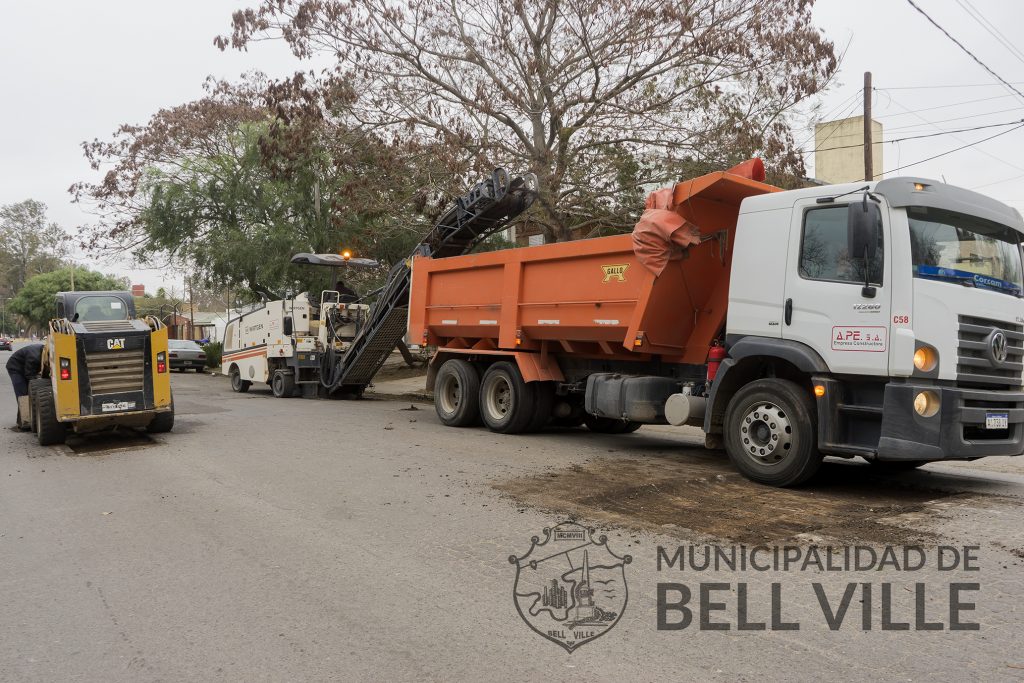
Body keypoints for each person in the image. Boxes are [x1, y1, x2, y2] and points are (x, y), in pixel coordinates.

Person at [6, 343, 43, 424]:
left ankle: (26, 418)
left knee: (28, 391)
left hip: (24, 367)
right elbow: (29, 374)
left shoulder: (43, 351)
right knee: (23, 394)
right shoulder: (35, 357)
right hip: (15, 368)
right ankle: (24, 422)